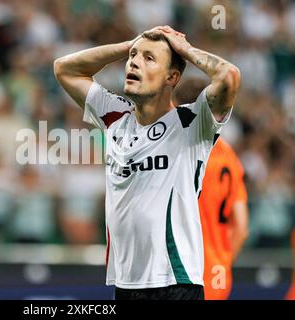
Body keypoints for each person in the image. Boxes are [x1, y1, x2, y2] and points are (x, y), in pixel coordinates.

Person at [54, 25, 241, 300]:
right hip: (127, 283)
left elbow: (229, 76)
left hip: (176, 281)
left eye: (148, 58)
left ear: (172, 77)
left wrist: (184, 50)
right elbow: (64, 68)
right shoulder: (115, 117)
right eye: (133, 56)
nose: (134, 62)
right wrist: (129, 44)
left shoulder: (192, 124)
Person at [174, 78, 249, 300]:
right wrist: (222, 262)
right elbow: (242, 227)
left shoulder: (180, 150)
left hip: (179, 270)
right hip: (217, 272)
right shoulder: (228, 155)